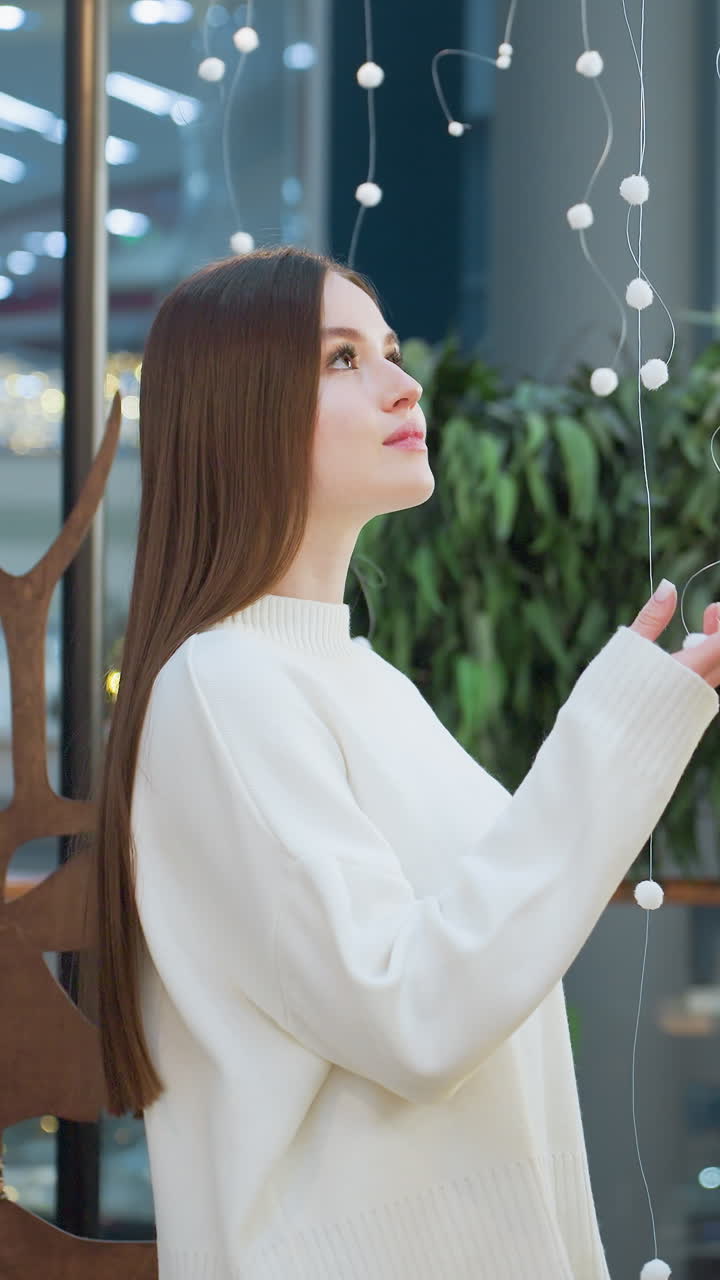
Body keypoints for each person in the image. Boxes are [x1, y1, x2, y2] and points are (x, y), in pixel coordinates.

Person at [91, 245, 720, 1279]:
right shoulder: (225, 685)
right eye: (342, 358)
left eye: (386, 347)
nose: (403, 379)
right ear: (239, 405)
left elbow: (476, 962)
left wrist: (643, 714)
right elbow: (419, 1013)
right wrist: (623, 728)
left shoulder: (361, 677)